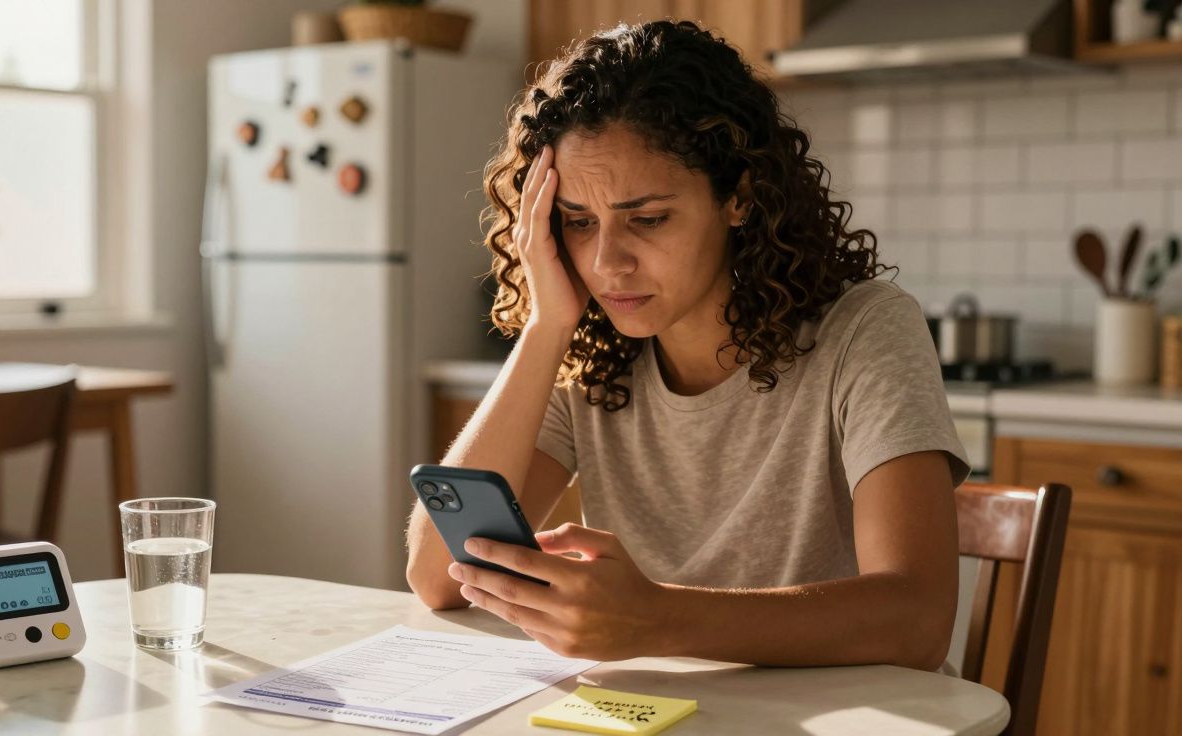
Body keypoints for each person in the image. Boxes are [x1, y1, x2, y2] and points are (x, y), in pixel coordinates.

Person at [405, 19, 970, 672]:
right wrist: (545, 329)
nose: (608, 261)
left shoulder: (865, 331)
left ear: (738, 197)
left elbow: (918, 622)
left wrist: (656, 618)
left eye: (646, 219)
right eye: (578, 223)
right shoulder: (589, 356)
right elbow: (438, 576)